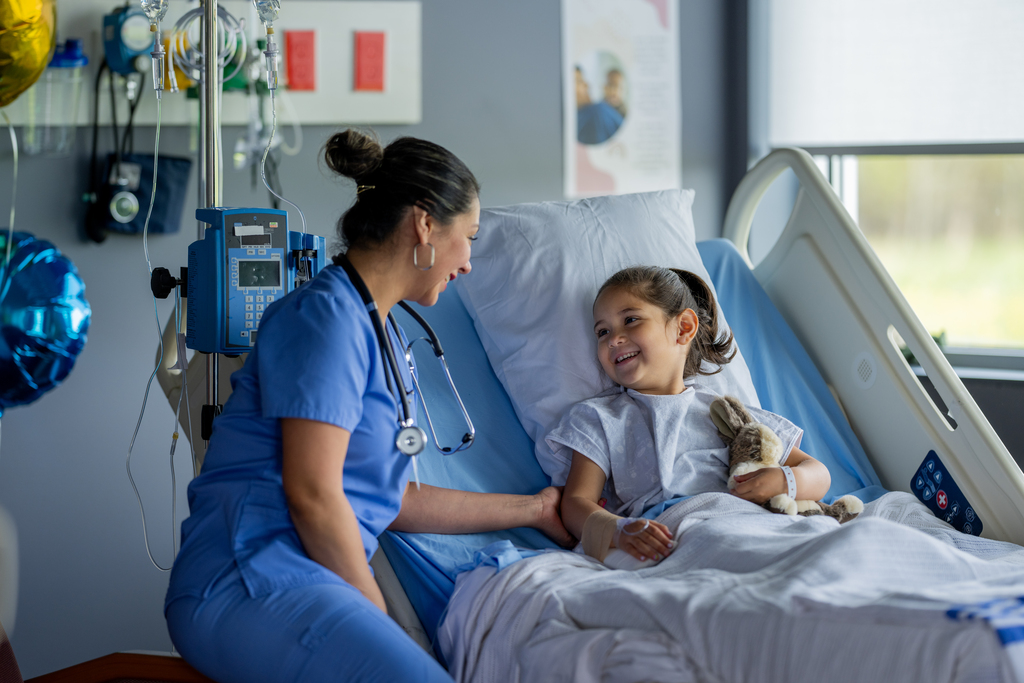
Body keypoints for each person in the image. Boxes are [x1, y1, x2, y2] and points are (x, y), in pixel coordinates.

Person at [164, 130, 572, 683]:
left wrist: (532, 509)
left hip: (306, 575)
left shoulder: (379, 329)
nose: (469, 261)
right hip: (247, 578)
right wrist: (375, 614)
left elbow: (391, 499)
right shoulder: (325, 319)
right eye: (469, 236)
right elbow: (313, 495)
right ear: (425, 224)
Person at [550, 266, 831, 563]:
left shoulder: (725, 413)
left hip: (748, 518)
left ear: (683, 327)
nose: (613, 339)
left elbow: (818, 473)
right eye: (602, 331)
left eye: (630, 320)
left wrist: (783, 481)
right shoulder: (600, 418)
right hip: (671, 532)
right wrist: (618, 529)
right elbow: (576, 503)